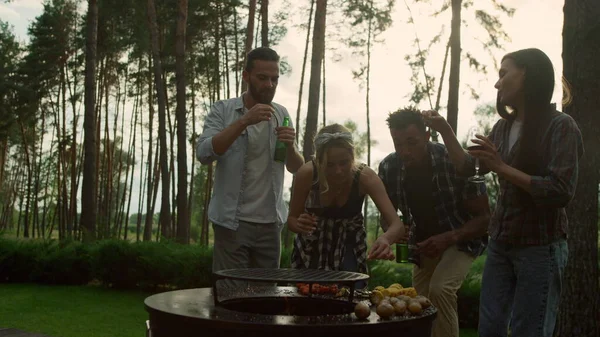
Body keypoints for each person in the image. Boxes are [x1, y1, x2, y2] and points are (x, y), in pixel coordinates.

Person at [423, 48, 584, 337]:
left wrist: (501, 166)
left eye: (503, 73)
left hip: (540, 247)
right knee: (490, 329)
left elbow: (560, 191)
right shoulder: (502, 127)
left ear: (528, 74)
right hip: (500, 244)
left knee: (529, 330)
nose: (497, 84)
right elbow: (466, 167)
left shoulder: (561, 126)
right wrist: (445, 129)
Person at [378, 107, 491, 337]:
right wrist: (394, 230)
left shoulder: (453, 160)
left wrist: (449, 237)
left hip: (462, 239)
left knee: (441, 289)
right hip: (423, 246)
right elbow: (387, 217)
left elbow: (485, 218)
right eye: (398, 144)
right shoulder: (389, 167)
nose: (405, 151)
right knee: (421, 304)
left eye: (412, 142)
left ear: (427, 137)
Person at [196, 47, 304, 288]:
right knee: (230, 299)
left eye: (274, 78)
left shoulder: (282, 113)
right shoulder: (223, 110)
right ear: (246, 76)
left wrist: (291, 146)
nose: (270, 84)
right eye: (262, 77)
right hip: (232, 223)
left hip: (270, 225)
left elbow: (297, 167)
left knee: (266, 302)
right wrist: (244, 121)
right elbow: (204, 153)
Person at [288, 123, 404, 285]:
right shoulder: (307, 174)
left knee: (352, 298)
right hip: (311, 247)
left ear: (352, 156)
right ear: (319, 160)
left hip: (350, 246)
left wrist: (385, 239)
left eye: (344, 163)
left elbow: (397, 225)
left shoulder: (365, 177)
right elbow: (292, 219)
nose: (338, 171)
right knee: (307, 301)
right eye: (330, 164)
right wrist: (299, 224)